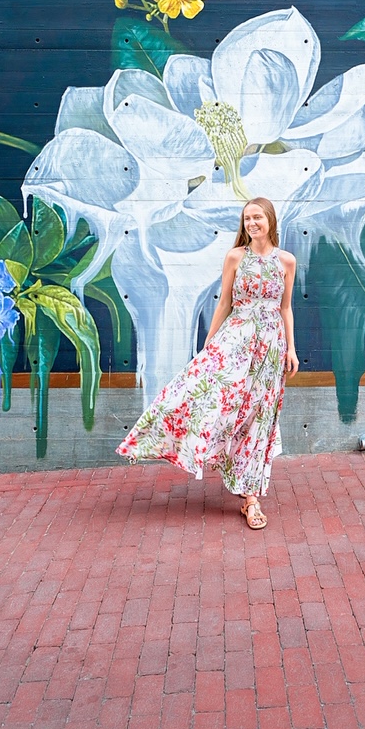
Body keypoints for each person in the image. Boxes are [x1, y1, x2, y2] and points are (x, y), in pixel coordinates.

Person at [116, 198, 299, 529]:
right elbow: (225, 301)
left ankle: (251, 498)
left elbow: (285, 307)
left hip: (271, 348)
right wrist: (209, 344)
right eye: (247, 218)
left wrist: (292, 349)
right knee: (202, 392)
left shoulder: (287, 261)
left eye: (257, 217)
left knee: (259, 416)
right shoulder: (235, 257)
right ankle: (164, 439)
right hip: (236, 339)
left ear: (270, 220)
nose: (252, 223)